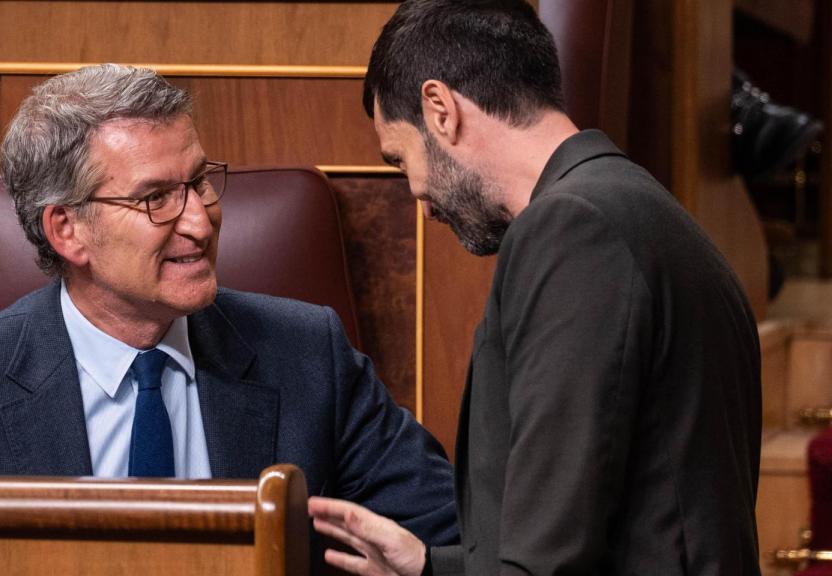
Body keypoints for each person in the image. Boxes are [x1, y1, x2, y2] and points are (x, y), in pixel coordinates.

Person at [0, 63, 458, 563]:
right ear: (68, 231)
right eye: (156, 198)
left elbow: (447, 535)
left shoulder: (308, 355)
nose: (200, 220)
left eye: (199, 182)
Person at [309, 1, 762, 575]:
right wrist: (428, 566)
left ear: (440, 109)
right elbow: (631, 519)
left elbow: (551, 554)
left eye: (401, 161)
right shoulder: (641, 209)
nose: (419, 199)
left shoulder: (571, 228)